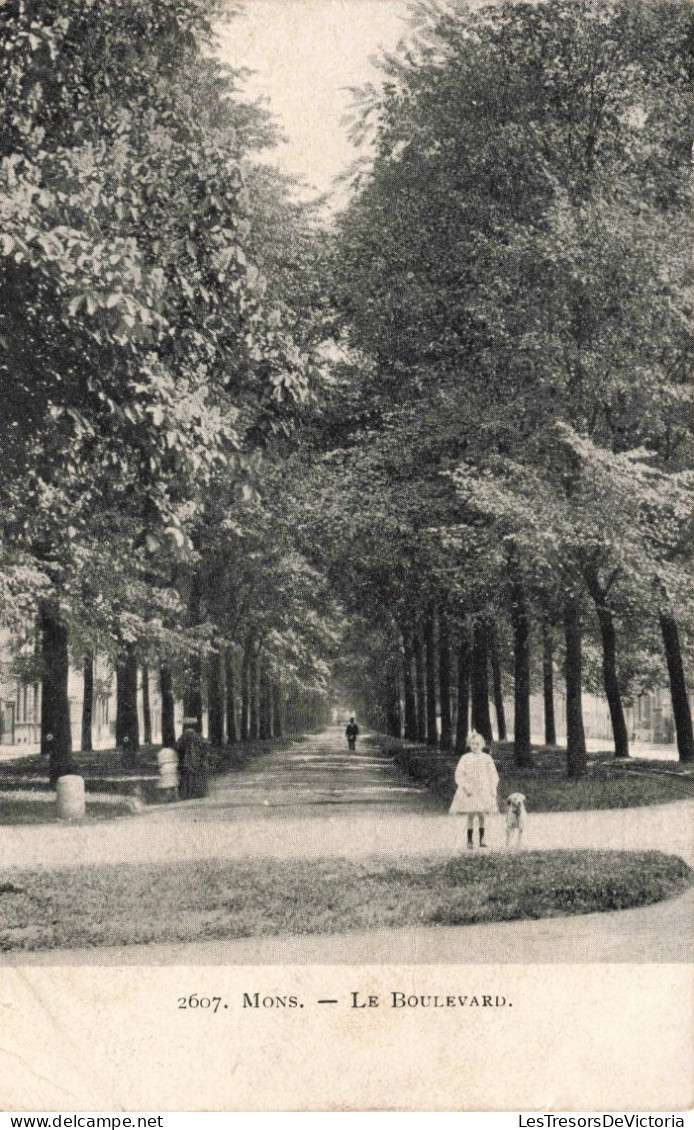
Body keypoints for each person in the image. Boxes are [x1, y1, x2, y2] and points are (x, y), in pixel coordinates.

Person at [449, 729, 499, 849]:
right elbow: (459, 773)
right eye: (472, 744)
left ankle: (482, 839)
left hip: (483, 788)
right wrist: (465, 786)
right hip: (470, 789)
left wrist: (492, 788)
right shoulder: (465, 758)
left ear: (482, 745)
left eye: (477, 744)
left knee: (482, 814)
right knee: (471, 814)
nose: (475, 746)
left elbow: (493, 774)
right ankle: (469, 840)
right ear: (469, 744)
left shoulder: (487, 758)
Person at [176, 717, 210, 799]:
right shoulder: (199, 737)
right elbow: (204, 748)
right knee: (197, 775)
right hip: (197, 761)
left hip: (185, 762)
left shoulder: (181, 738)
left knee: (186, 777)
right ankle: (199, 793)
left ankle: (187, 793)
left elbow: (178, 750)